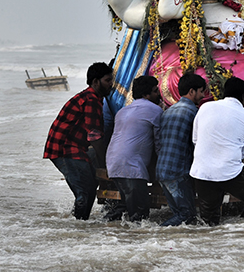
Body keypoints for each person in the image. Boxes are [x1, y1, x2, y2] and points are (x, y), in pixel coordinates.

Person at [190, 77, 244, 225]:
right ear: (243, 96)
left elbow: (195, 139)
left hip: (201, 172)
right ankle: (243, 230)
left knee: (209, 220)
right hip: (231, 173)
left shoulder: (205, 107)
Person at [43, 61, 114, 220]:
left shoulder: (92, 97)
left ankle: (79, 221)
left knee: (88, 187)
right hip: (64, 148)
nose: (111, 85)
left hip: (70, 146)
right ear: (96, 82)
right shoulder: (91, 99)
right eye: (108, 81)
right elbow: (94, 136)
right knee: (85, 190)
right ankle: (79, 225)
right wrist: (104, 165)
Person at [104, 75, 163, 222]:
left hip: (113, 162)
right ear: (146, 94)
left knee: (126, 204)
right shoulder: (155, 110)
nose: (159, 94)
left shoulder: (123, 111)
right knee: (140, 213)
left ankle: (104, 230)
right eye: (155, 91)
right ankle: (134, 240)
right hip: (131, 167)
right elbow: (159, 143)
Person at [155, 73, 207, 226]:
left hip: (163, 170)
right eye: (201, 91)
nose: (203, 95)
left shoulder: (168, 112)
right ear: (192, 91)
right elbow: (197, 144)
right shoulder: (194, 113)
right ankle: (154, 235)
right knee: (187, 216)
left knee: (180, 215)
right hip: (178, 171)